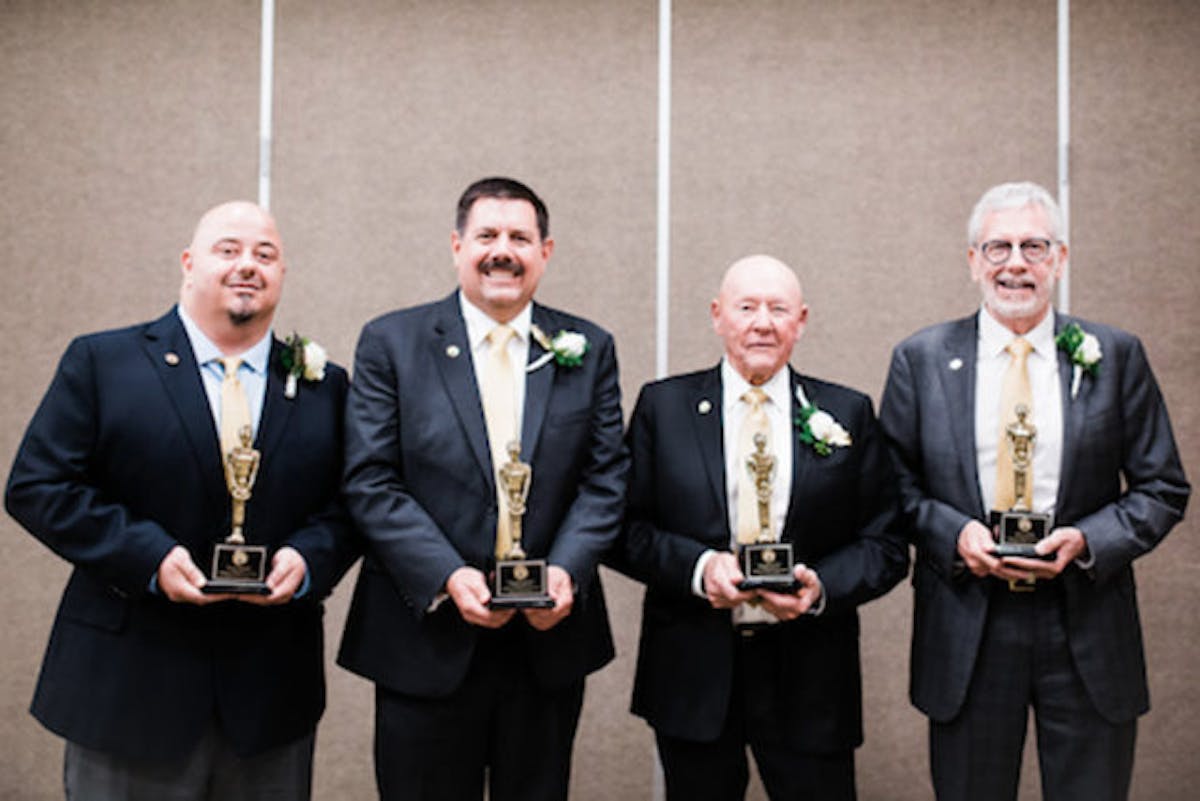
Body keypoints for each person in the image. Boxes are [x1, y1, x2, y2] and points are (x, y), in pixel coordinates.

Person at [5, 201, 356, 800]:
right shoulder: (103, 362)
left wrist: (310, 560)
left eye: (265, 255)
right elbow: (38, 486)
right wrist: (148, 557)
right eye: (228, 250)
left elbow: (351, 505)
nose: (248, 265)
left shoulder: (326, 387)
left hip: (269, 702)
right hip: (127, 691)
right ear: (189, 264)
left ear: (283, 274)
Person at [879, 181, 1190, 801]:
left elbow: (1162, 486)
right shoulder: (921, 358)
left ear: (1060, 259)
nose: (1015, 263)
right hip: (970, 624)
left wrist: (1088, 539)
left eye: (1033, 246)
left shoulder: (1117, 355)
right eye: (997, 247)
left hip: (1085, 626)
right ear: (973, 261)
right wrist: (955, 535)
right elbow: (891, 488)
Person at [337, 177, 628, 801]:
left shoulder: (590, 347)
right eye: (487, 235)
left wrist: (568, 572)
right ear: (456, 245)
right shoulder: (391, 342)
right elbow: (370, 479)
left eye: (520, 237)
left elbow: (606, 479)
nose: (504, 250)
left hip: (547, 640)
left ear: (545, 251)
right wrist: (447, 575)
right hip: (426, 635)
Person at [616, 254, 908, 801]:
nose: (762, 322)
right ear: (717, 315)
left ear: (801, 320)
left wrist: (823, 587)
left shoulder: (847, 411)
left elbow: (887, 544)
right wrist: (701, 570)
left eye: (778, 308)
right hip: (695, 673)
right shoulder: (665, 407)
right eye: (747, 306)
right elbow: (623, 530)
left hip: (812, 677)